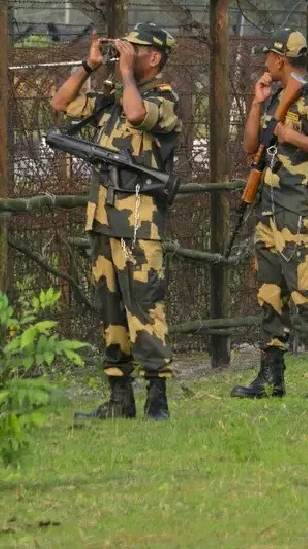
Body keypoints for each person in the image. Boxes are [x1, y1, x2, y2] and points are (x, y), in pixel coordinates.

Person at [50, 22, 181, 420]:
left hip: (138, 225)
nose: (126, 53)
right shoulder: (111, 98)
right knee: (110, 310)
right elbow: (61, 104)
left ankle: (156, 397)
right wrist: (89, 68)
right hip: (104, 219)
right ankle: (119, 397)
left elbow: (139, 115)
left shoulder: (164, 97)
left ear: (154, 57)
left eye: (135, 49)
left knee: (143, 305)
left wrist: (125, 73)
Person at [230, 29, 308, 401]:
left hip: (301, 212)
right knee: (268, 293)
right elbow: (252, 146)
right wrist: (256, 104)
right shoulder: (274, 98)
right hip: (271, 210)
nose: (265, 62)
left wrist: (290, 136)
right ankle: (270, 377)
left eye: (269, 56)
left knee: (307, 293)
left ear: (280, 60)